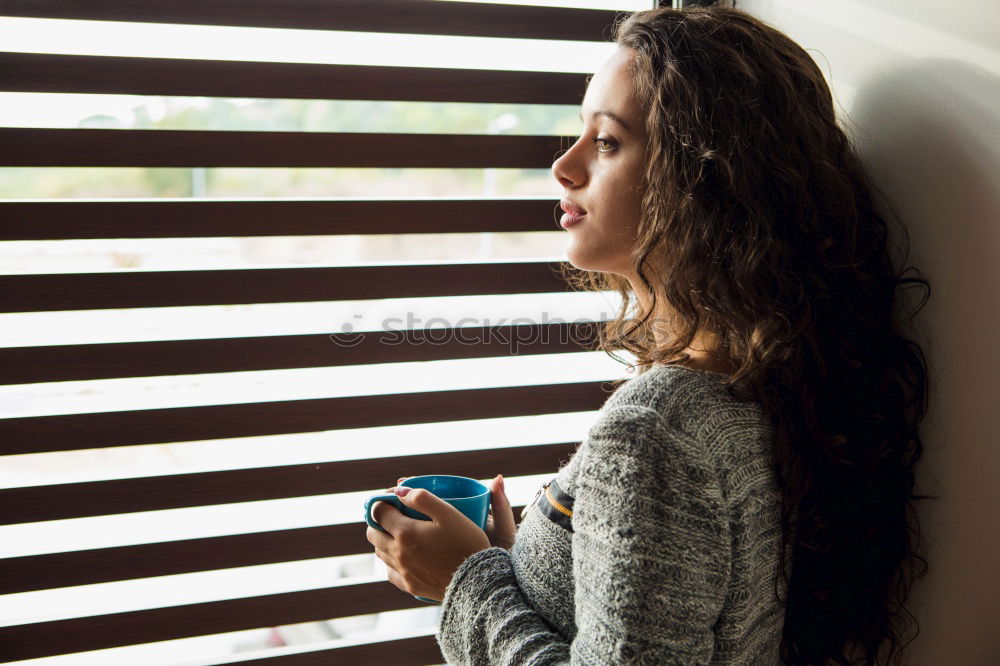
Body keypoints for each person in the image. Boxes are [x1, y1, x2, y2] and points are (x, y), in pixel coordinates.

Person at [365, 6, 932, 665]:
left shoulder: (659, 426)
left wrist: (464, 581)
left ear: (701, 181)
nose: (564, 166)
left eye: (606, 142)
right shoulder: (771, 382)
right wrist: (540, 550)